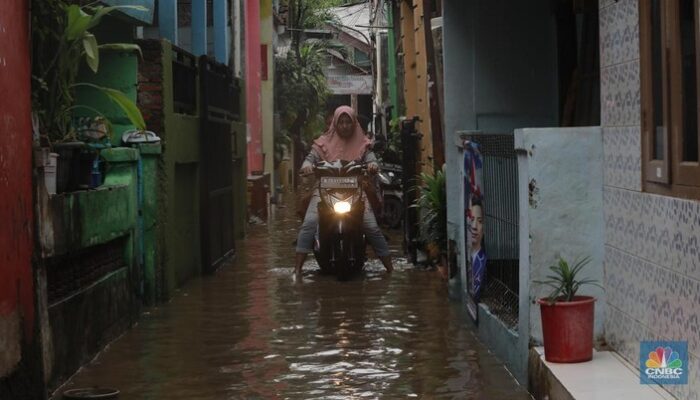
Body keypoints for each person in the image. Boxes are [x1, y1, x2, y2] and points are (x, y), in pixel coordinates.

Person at [294, 106, 393, 275]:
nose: (345, 126)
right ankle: (297, 269)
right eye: (341, 122)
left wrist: (372, 165)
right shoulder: (323, 143)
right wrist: (307, 166)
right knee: (309, 224)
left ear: (354, 123)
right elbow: (309, 159)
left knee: (371, 227)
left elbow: (372, 159)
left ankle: (390, 268)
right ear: (335, 124)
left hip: (356, 191)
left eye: (348, 122)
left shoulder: (363, 144)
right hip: (324, 190)